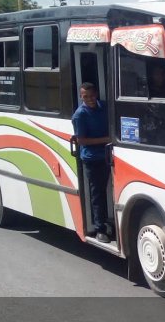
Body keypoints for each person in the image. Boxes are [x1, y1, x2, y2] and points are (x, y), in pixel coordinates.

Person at [71, 82, 112, 243]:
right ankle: (99, 228)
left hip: (108, 156)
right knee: (98, 194)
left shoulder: (104, 107)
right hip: (92, 159)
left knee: (108, 192)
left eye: (92, 95)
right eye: (85, 96)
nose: (89, 99)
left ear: (96, 94)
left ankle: (108, 221)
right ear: (81, 97)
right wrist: (108, 139)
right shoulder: (80, 115)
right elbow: (81, 140)